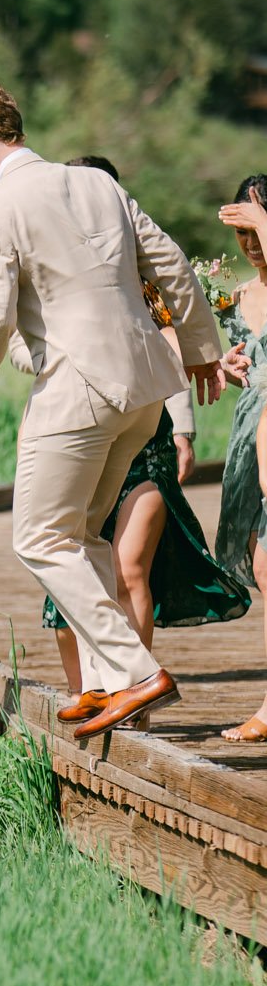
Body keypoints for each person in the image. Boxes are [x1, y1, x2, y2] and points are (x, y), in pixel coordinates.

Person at [0, 81, 222, 739]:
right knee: (82, 535)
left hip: (77, 392)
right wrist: (201, 348)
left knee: (37, 537)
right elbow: (172, 264)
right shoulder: (94, 184)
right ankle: (100, 684)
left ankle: (135, 670)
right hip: (146, 388)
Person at [33, 159, 247, 694]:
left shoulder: (142, 267)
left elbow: (173, 349)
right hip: (80, 440)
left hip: (146, 446)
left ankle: (135, 691)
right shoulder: (51, 274)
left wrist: (183, 431)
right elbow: (23, 345)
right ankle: (86, 693)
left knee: (131, 571)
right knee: (73, 574)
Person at [207, 178, 267, 742]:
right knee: (260, 563)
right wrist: (226, 368)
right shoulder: (234, 295)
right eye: (243, 232)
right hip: (251, 433)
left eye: (258, 229)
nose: (251, 243)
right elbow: (239, 370)